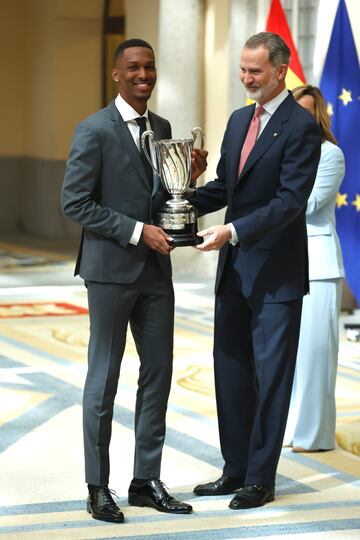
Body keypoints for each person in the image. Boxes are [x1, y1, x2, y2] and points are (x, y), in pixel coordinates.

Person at [61, 38, 207, 523]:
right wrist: (134, 230)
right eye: (134, 68)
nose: (144, 75)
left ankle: (145, 480)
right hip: (109, 271)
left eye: (150, 67)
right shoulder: (93, 130)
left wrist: (190, 176)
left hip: (155, 274)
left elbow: (163, 196)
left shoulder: (162, 128)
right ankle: (97, 486)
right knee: (103, 379)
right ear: (116, 74)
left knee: (158, 374)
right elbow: (75, 203)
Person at [190, 32, 321, 509]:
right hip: (234, 272)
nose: (246, 79)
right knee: (230, 371)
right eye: (243, 70)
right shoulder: (238, 118)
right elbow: (226, 186)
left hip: (276, 277)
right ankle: (235, 469)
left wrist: (232, 232)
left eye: (255, 71)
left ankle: (260, 479)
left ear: (280, 70)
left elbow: (289, 202)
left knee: (271, 378)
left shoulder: (301, 126)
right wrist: (175, 204)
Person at [283, 85, 345, 452]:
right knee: (288, 354)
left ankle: (314, 435)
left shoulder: (329, 154)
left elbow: (308, 204)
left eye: (306, 113)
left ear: (317, 116)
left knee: (316, 354)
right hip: (285, 261)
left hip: (318, 265)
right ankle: (290, 429)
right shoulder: (283, 153)